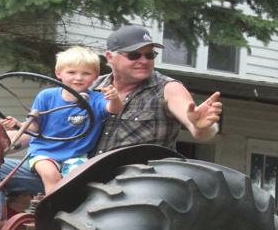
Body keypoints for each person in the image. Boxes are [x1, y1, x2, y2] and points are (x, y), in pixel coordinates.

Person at [1, 46, 123, 194]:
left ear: (95, 76)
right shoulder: (47, 96)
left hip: (76, 155)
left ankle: (67, 212)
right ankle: (51, 209)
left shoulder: (96, 99)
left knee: (78, 181)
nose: (78, 78)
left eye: (86, 73)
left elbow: (114, 109)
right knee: (50, 175)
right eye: (71, 72)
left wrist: (115, 98)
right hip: (43, 152)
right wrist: (18, 125)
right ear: (59, 73)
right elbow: (34, 127)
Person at [89, 26, 223, 152]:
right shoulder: (91, 87)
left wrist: (202, 126)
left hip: (143, 174)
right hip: (88, 173)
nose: (144, 61)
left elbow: (197, 128)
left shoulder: (168, 88)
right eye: (134, 55)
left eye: (149, 55)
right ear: (110, 57)